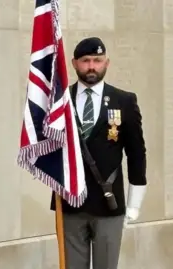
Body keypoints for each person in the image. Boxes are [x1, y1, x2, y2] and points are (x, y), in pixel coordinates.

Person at [50, 36, 148, 269]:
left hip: (108, 204)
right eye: (85, 60)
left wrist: (134, 203)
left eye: (97, 60)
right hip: (70, 203)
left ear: (107, 63)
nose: (92, 66)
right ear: (74, 63)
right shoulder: (59, 103)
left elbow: (137, 153)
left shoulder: (123, 101)